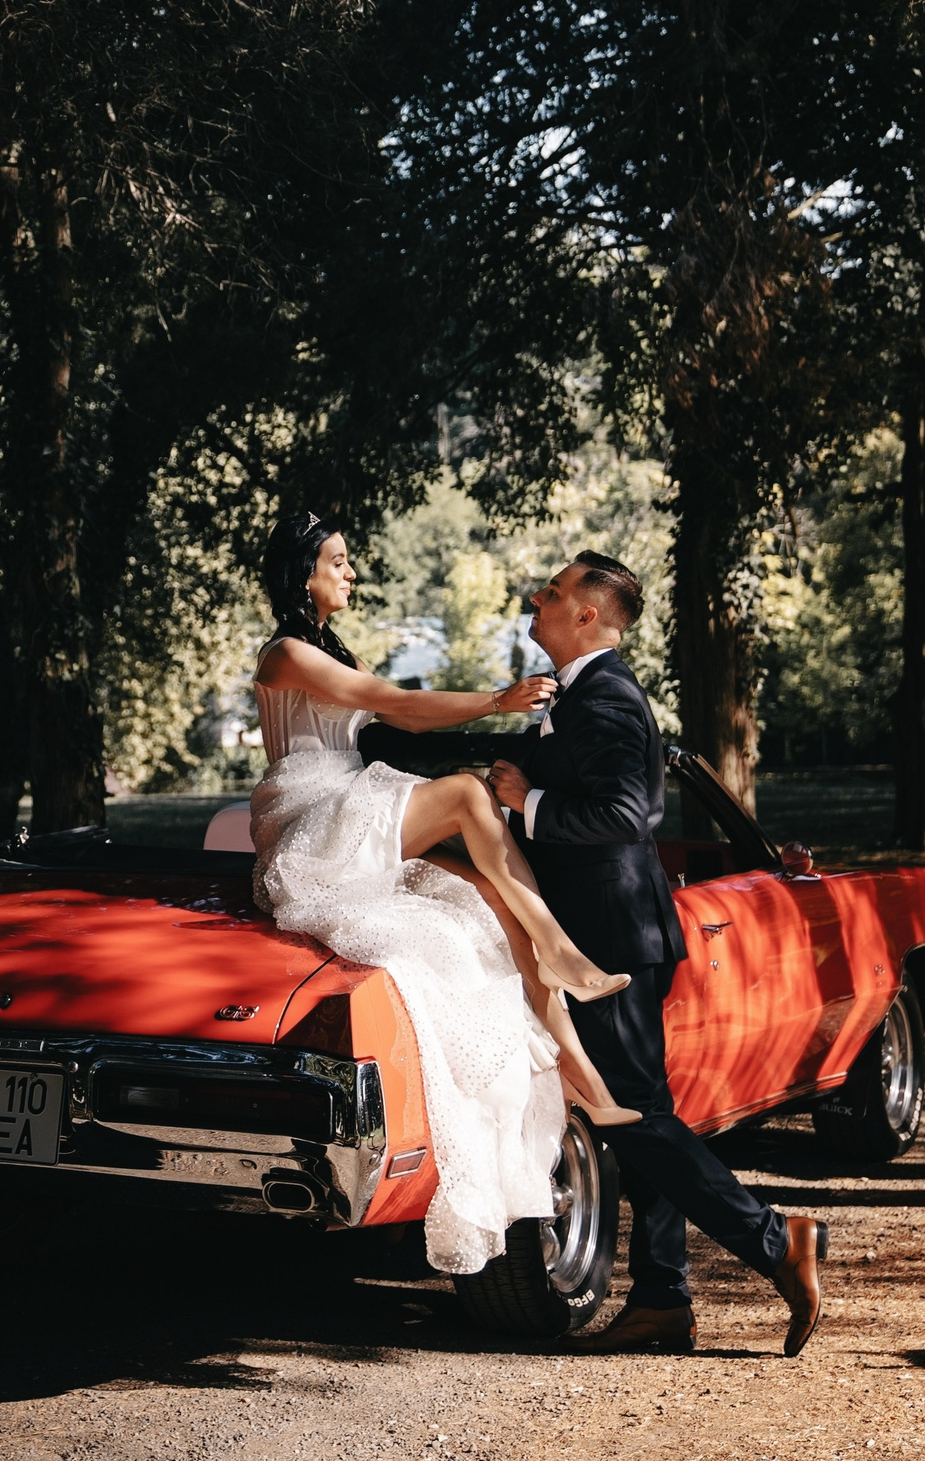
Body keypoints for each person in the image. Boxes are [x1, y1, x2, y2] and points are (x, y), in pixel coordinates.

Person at [246, 510, 645, 1275]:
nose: (351, 571)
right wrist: (498, 702)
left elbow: (389, 730)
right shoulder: (285, 653)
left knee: (482, 908)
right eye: (338, 560)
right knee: (466, 796)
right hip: (309, 824)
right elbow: (392, 703)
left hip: (346, 808)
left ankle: (575, 1062)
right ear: (303, 572)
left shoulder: (324, 645)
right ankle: (561, 947)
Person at [488, 553, 829, 1357]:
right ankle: (663, 1295)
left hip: (611, 938)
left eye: (557, 590)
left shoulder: (609, 696)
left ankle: (778, 1240)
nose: (539, 596)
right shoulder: (571, 697)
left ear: (589, 617)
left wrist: (525, 802)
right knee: (646, 1109)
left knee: (629, 1113)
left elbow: (627, 810)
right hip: (604, 934)